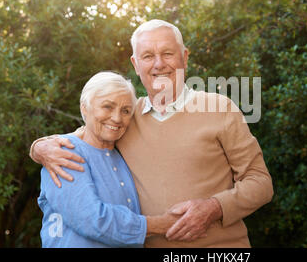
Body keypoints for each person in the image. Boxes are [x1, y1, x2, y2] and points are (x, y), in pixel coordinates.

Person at [30, 19, 274, 247]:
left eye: (167, 53)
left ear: (184, 57)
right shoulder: (125, 115)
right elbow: (84, 136)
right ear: (136, 65)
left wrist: (214, 207)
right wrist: (40, 148)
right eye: (148, 56)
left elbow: (260, 183)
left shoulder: (220, 108)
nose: (159, 64)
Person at [38, 71, 179, 247]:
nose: (117, 118)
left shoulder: (124, 154)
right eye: (107, 107)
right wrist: (161, 224)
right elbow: (91, 219)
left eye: (126, 111)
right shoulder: (64, 152)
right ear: (84, 108)